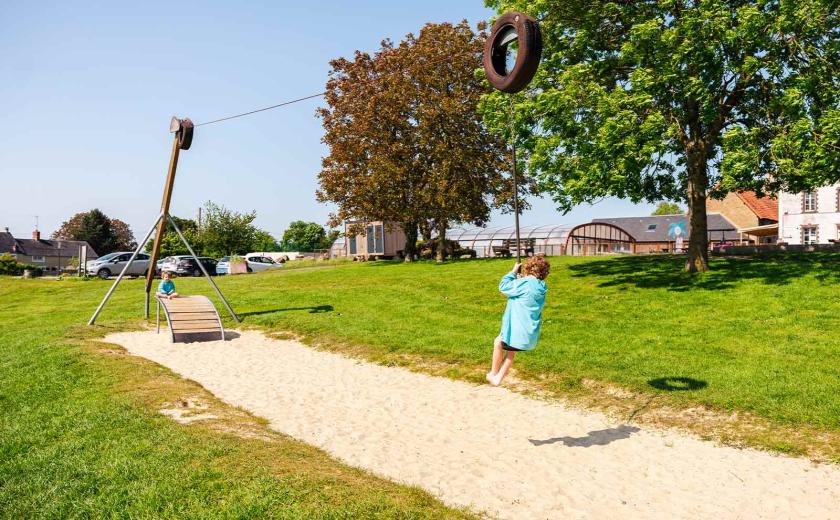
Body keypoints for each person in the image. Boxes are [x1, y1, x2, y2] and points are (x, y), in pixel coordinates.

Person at [487, 255, 550, 386]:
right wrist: (521, 280)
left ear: (528, 268)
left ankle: (494, 374)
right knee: (510, 352)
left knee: (498, 342)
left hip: (516, 327)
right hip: (527, 329)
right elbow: (526, 290)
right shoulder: (541, 286)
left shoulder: (525, 283)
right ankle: (497, 376)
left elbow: (503, 286)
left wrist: (513, 272)